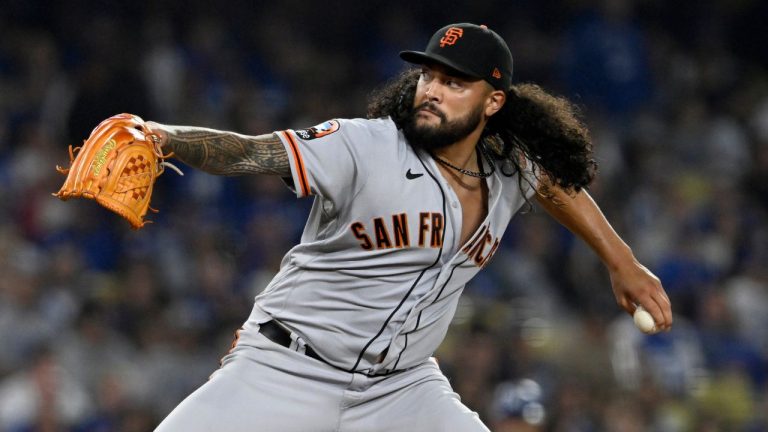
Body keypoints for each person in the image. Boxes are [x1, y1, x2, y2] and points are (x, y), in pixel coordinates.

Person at [148, 23, 672, 432]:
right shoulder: (363, 145)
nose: (432, 91)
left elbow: (555, 184)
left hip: (401, 389)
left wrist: (622, 262)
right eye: (428, 76)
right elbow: (250, 152)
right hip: (288, 368)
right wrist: (160, 137)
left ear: (493, 101)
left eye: (453, 82)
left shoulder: (507, 166)